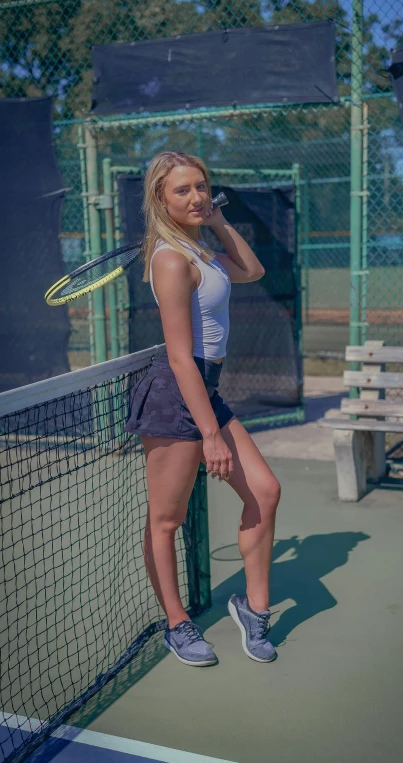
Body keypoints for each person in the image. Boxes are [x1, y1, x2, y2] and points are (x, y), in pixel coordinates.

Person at [125, 151, 281, 666]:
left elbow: (253, 269)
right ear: (159, 198)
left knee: (265, 491)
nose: (195, 197)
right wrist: (210, 434)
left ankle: (253, 610)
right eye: (182, 190)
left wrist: (216, 219)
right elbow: (178, 354)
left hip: (205, 386)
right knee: (165, 521)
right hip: (176, 394)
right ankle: (177, 624)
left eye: (201, 187)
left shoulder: (199, 249)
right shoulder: (171, 259)